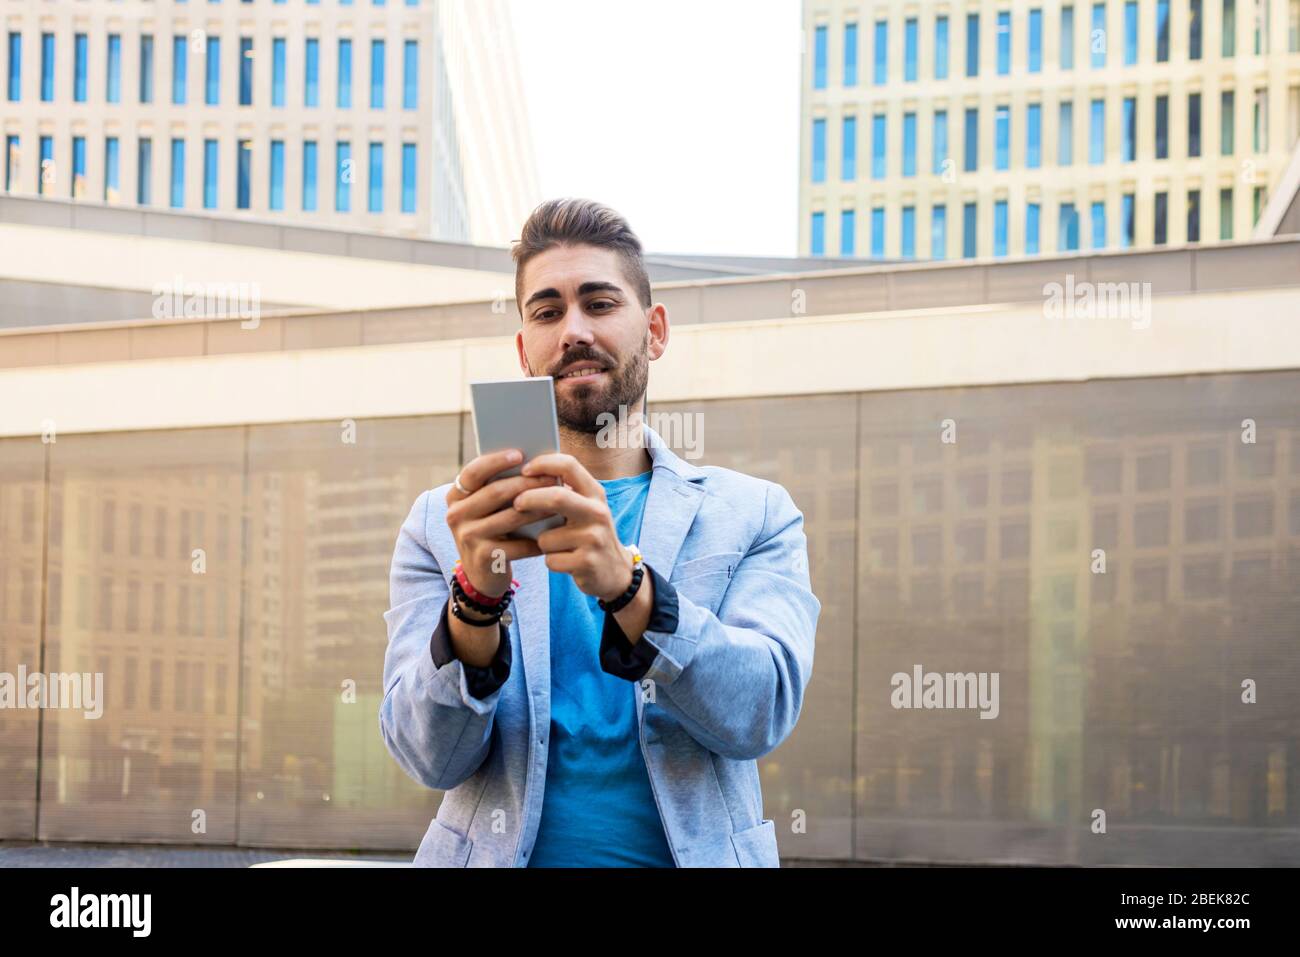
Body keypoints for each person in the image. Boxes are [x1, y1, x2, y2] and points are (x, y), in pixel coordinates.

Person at [380, 197, 820, 867]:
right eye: (548, 311)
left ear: (656, 329)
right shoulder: (445, 524)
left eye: (600, 303)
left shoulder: (755, 512)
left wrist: (631, 589)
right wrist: (473, 602)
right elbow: (427, 756)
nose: (574, 330)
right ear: (525, 350)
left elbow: (758, 714)